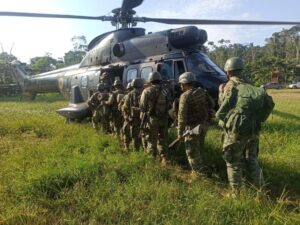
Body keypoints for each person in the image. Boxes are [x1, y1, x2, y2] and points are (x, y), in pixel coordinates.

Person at [216, 57, 265, 195]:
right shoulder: (250, 84)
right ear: (241, 70)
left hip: (236, 131)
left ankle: (236, 194)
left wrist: (220, 92)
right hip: (253, 128)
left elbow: (224, 107)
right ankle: (260, 188)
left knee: (233, 161)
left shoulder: (229, 86)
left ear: (228, 72)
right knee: (252, 159)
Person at [177, 72, 211, 176]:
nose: (180, 86)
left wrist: (179, 133)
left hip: (191, 128)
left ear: (184, 84)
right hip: (203, 125)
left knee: (191, 151)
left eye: (181, 84)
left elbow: (181, 117)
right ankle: (203, 167)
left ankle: (198, 174)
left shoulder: (185, 96)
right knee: (200, 148)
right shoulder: (203, 92)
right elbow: (212, 104)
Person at [139, 72, 170, 164]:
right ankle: (164, 159)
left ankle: (152, 161)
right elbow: (169, 104)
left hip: (152, 119)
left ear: (150, 80)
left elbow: (142, 107)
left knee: (151, 139)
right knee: (163, 139)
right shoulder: (165, 90)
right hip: (164, 118)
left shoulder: (147, 91)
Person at [123, 78, 144, 151]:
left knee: (135, 136)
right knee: (143, 135)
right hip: (143, 118)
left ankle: (136, 151)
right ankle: (143, 150)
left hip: (133, 119)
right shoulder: (144, 93)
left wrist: (127, 116)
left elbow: (125, 107)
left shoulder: (129, 94)